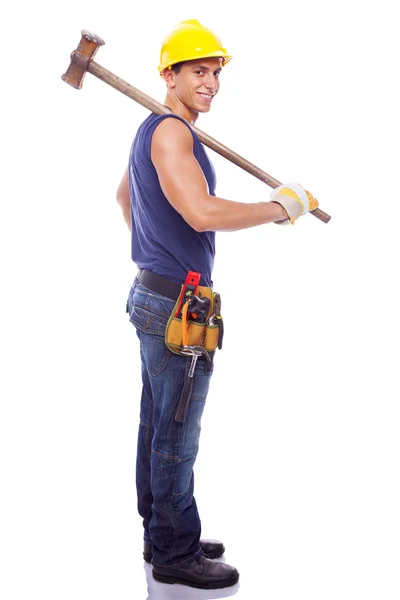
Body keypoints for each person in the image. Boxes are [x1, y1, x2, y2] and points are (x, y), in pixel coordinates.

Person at [116, 19, 318, 590]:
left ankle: (163, 528)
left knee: (158, 422)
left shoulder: (153, 131)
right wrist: (279, 208)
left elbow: (125, 196)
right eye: (197, 72)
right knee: (176, 432)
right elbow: (202, 213)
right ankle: (175, 552)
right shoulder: (172, 134)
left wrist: (156, 252)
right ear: (168, 74)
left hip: (157, 293)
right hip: (175, 305)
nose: (210, 82)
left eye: (214, 72)